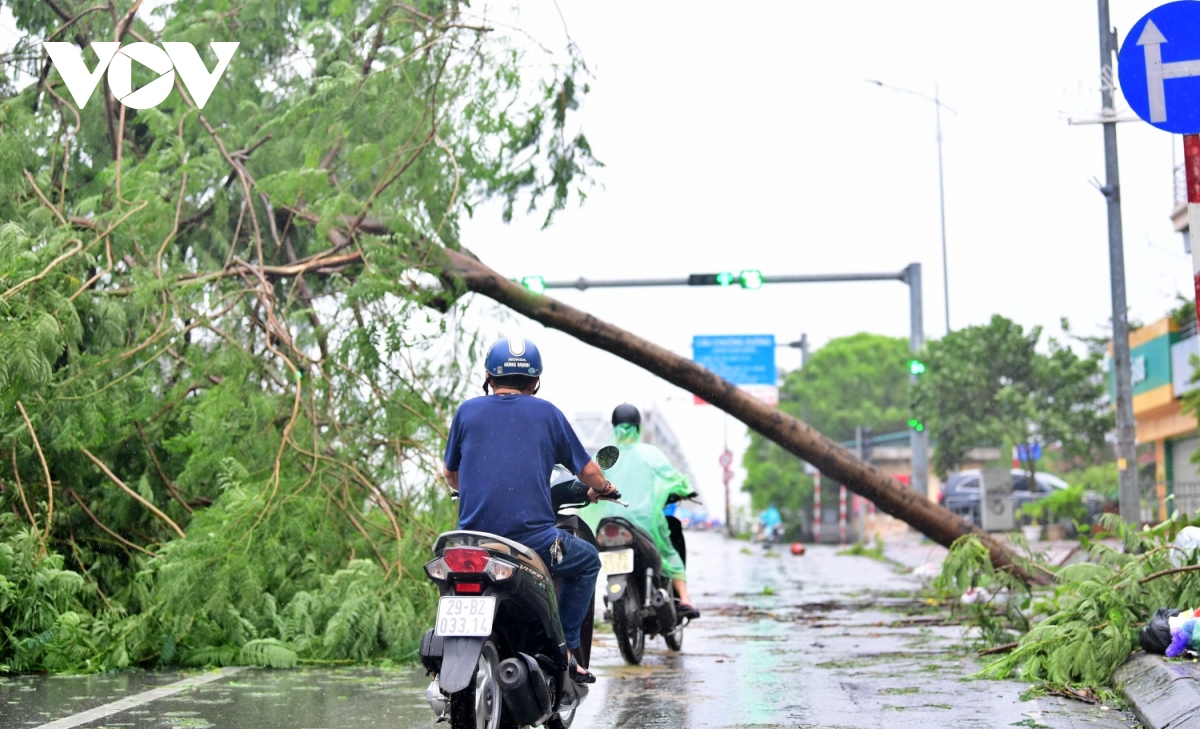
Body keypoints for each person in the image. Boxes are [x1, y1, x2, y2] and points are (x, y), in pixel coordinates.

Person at [443, 336, 615, 684]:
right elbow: (587, 471)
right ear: (535, 381)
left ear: (489, 377)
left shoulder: (466, 412)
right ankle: (564, 648)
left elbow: (451, 475)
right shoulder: (547, 413)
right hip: (532, 542)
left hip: (472, 543)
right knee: (588, 561)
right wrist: (604, 487)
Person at [579, 403, 700, 619]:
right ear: (638, 427)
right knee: (669, 551)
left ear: (614, 426)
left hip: (607, 524)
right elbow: (673, 479)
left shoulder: (602, 456)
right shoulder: (651, 454)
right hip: (645, 524)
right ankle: (684, 598)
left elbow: (586, 481)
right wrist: (686, 490)